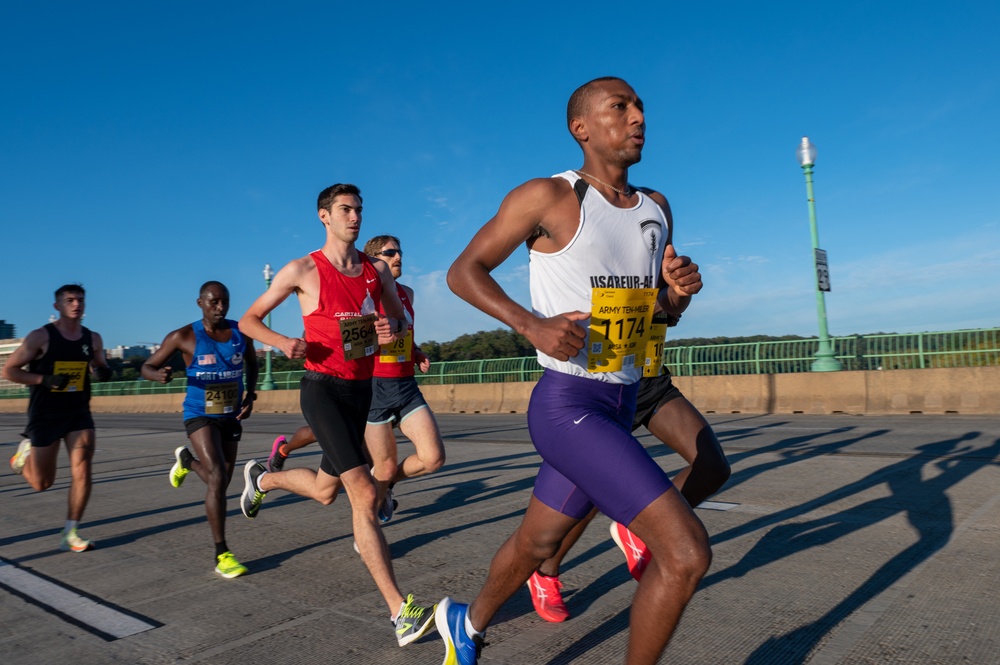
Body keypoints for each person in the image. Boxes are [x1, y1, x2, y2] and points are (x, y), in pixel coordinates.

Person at [436, 77, 712, 665]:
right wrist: (531, 325)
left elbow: (656, 312)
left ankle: (468, 621)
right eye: (621, 107)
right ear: (581, 128)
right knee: (686, 554)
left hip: (623, 396)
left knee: (538, 539)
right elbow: (465, 272)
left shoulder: (657, 208)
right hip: (570, 406)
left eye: (641, 106)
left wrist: (676, 298)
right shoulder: (551, 197)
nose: (638, 116)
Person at [236, 183, 437, 647]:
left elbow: (398, 322)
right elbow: (249, 321)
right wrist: (283, 342)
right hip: (321, 390)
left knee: (327, 493)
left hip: (362, 393)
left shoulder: (373, 272)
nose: (355, 217)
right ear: (324, 216)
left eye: (359, 210)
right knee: (363, 494)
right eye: (346, 210)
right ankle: (399, 613)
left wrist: (392, 330)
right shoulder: (304, 269)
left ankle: (262, 479)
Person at [526, 310, 731, 622]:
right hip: (602, 384)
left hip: (650, 382)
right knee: (589, 493)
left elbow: (670, 309)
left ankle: (632, 528)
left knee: (713, 466)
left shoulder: (658, 261)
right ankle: (543, 572)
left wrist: (678, 294)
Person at [266, 235, 445, 523]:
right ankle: (370, 515)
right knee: (340, 472)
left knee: (432, 458)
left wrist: (416, 352)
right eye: (390, 253)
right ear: (375, 262)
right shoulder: (363, 293)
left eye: (400, 252)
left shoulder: (407, 294)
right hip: (370, 386)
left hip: (404, 384)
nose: (398, 258)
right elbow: (344, 340)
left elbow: (403, 331)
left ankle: (382, 488)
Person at [140, 281, 258, 578]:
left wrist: (251, 395)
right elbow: (146, 366)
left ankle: (187, 462)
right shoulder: (183, 336)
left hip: (230, 414)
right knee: (217, 477)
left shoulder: (241, 331)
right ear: (200, 303)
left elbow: (252, 362)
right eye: (214, 302)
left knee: (223, 480)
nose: (220, 307)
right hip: (199, 415)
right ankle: (222, 554)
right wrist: (157, 375)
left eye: (225, 302)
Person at [2, 284, 112, 553]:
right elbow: (9, 370)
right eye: (70, 300)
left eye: (81, 300)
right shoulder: (40, 337)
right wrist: (44, 379)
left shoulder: (93, 338)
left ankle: (71, 532)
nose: (77, 304)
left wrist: (102, 371)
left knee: (83, 466)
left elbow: (101, 366)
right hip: (45, 414)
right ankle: (22, 458)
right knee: (42, 483)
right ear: (57, 306)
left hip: (78, 412)